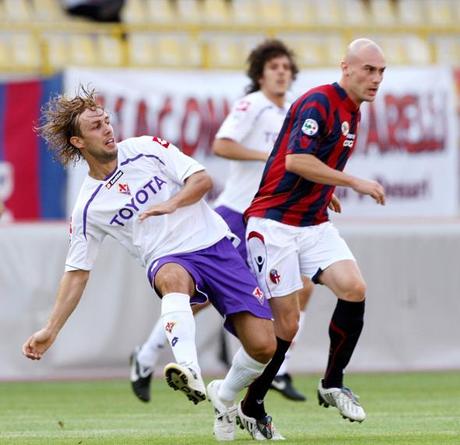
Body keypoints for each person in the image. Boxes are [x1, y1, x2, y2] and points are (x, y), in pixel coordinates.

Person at [21, 87, 280, 441]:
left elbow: (202, 179)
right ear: (78, 142)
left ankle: (225, 395)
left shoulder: (146, 148)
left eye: (107, 121)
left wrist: (173, 203)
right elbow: (77, 272)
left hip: (216, 246)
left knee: (264, 346)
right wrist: (51, 329)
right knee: (173, 278)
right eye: (96, 126)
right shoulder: (88, 207)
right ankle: (188, 370)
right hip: (167, 259)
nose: (108, 129)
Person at [129, 39, 310, 406]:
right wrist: (272, 156)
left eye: (286, 67)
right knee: (204, 298)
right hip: (237, 215)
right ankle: (146, 355)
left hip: (274, 216)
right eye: (273, 67)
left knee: (299, 286)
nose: (281, 72)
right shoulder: (252, 105)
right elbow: (223, 145)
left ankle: (281, 365)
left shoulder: (292, 111)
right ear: (260, 73)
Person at [238, 38, 387, 437]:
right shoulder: (319, 101)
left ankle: (332, 383)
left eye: (381, 72)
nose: (376, 79)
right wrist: (352, 181)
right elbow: (296, 160)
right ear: (346, 67)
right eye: (369, 70)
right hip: (274, 222)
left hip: (313, 221)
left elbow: (312, 164)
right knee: (285, 327)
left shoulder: (353, 112)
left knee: (354, 288)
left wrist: (327, 190)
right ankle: (251, 405)